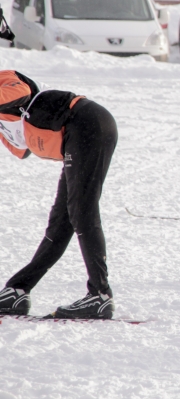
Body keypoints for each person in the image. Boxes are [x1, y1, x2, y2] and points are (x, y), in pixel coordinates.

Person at [0, 71, 117, 319]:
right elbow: (21, 151)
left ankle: (100, 295)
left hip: (87, 122)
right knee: (61, 222)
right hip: (75, 136)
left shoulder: (6, 77)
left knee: (81, 211)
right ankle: (17, 290)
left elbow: (20, 92)